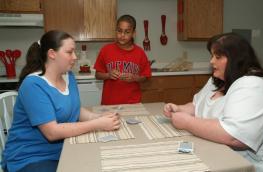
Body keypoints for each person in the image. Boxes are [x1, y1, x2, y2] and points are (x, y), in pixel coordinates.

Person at [163, 33, 263, 172]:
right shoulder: (216, 80)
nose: (211, 61)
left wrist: (187, 122)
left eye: (218, 57)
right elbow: (196, 105)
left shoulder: (253, 86)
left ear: (236, 59)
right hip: (221, 155)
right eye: (212, 56)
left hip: (257, 167)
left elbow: (235, 136)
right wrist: (180, 109)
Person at [1, 30, 120, 172]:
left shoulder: (68, 76)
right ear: (52, 54)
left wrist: (98, 118)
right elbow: (52, 132)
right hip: (30, 157)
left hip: (63, 149)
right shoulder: (33, 85)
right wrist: (96, 124)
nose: (75, 57)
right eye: (69, 52)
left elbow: (75, 109)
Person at [94, 14, 152, 105]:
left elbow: (146, 77)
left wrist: (135, 78)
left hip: (133, 104)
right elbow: (97, 75)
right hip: (109, 104)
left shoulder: (140, 53)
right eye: (119, 31)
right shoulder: (106, 50)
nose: (122, 35)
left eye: (127, 32)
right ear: (116, 30)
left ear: (133, 33)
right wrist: (108, 75)